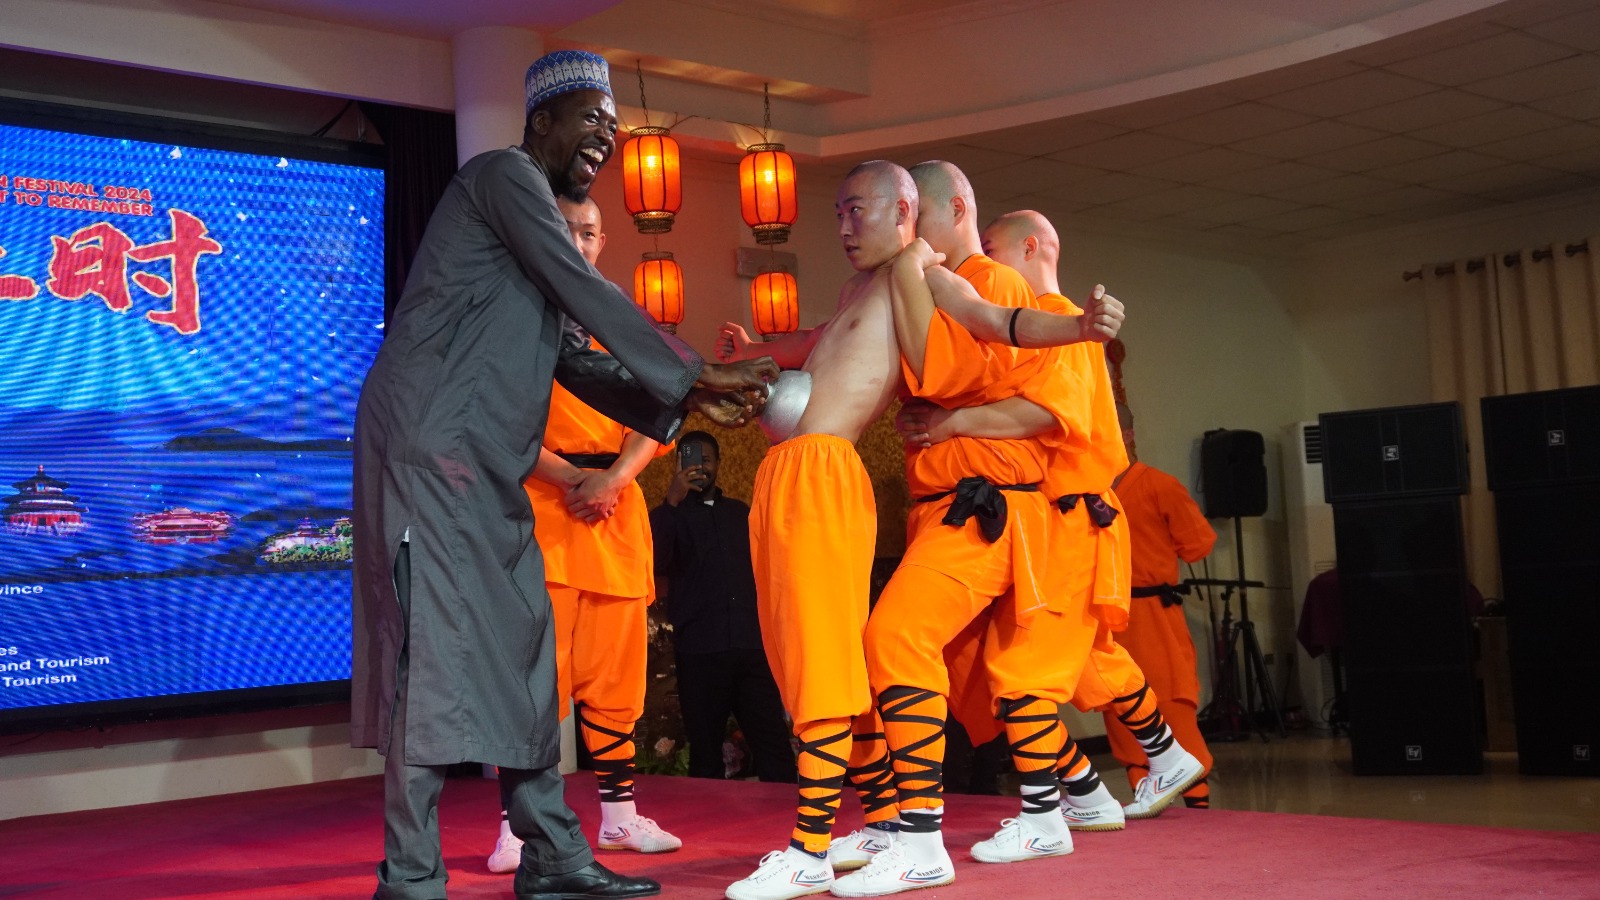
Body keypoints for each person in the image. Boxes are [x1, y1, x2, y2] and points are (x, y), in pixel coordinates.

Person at [349, 50, 776, 900]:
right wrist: (693, 375)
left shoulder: (530, 230)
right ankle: (410, 877)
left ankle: (548, 853)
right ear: (540, 121)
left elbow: (578, 357)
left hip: (483, 461)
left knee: (523, 643)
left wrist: (686, 398)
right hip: (429, 449)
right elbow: (582, 290)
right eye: (591, 120)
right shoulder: (502, 177)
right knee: (432, 655)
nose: (606, 139)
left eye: (613, 128)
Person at [894, 209, 1204, 830]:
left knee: (1021, 667)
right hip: (1054, 513)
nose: (983, 262)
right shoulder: (1033, 322)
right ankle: (1148, 763)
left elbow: (1045, 414)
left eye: (990, 249)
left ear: (1031, 247)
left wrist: (952, 423)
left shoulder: (1057, 320)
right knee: (1084, 656)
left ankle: (1055, 809)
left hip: (1070, 511)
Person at [841, 162, 1091, 896]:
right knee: (986, 673)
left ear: (939, 208)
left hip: (995, 504)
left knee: (900, 640)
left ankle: (920, 836)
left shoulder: (982, 277)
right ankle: (1059, 803)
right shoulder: (925, 277)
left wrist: (952, 419)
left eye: (908, 214)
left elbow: (988, 375)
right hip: (946, 505)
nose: (904, 231)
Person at [714, 160, 930, 900]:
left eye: (856, 210)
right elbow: (814, 342)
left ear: (904, 209)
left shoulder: (916, 272)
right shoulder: (855, 290)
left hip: (825, 472)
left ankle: (808, 849)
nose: (842, 226)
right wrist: (754, 352)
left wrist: (948, 413)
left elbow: (954, 352)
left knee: (820, 661)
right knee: (801, 657)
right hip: (787, 471)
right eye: (837, 212)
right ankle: (886, 821)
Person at [485, 196, 683, 876]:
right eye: (565, 230)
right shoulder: (510, 315)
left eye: (589, 232)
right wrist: (574, 477)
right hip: (547, 508)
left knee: (616, 679)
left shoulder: (622, 317)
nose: (578, 242)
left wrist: (615, 478)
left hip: (616, 513)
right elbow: (496, 422)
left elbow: (660, 412)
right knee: (535, 680)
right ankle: (518, 824)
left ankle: (620, 816)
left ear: (604, 241)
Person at [649, 430, 797, 785]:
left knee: (774, 747)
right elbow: (654, 560)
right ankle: (706, 820)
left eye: (706, 459)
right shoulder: (668, 516)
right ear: (677, 465)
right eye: (691, 460)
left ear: (718, 463)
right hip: (700, 651)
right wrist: (671, 503)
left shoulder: (739, 513)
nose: (699, 467)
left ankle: (787, 814)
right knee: (705, 753)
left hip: (751, 646)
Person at [1105, 401, 1218, 809]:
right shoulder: (1085, 490)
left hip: (1154, 613)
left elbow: (1198, 544)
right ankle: (1144, 796)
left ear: (1128, 435)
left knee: (1170, 701)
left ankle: (1197, 800)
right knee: (1117, 707)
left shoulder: (1159, 485)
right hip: (1108, 616)